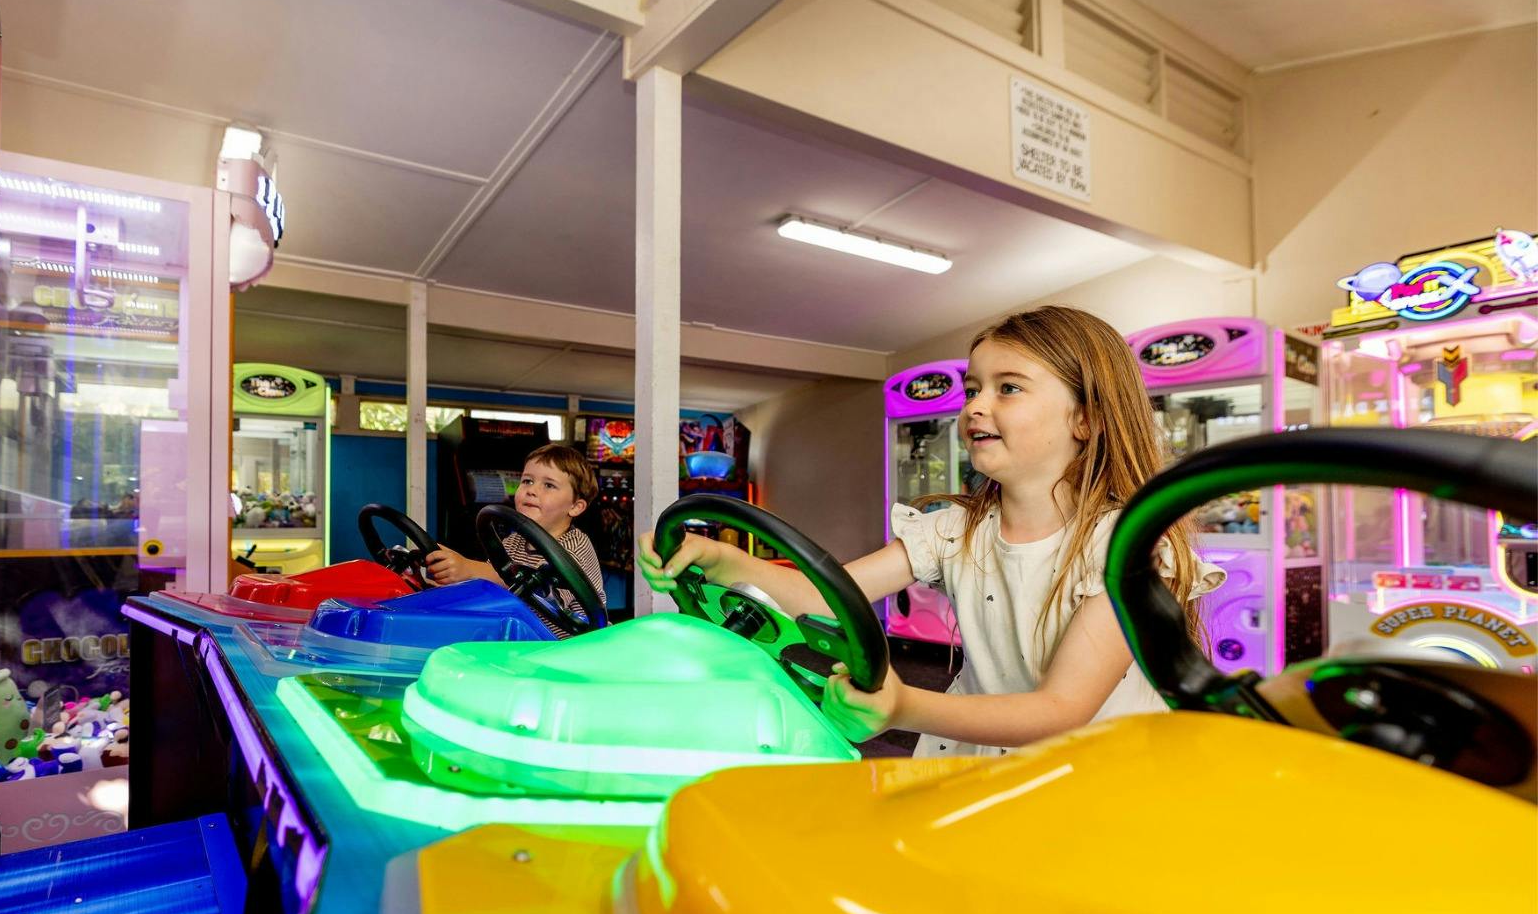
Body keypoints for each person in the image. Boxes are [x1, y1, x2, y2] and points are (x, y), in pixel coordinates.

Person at [638, 305, 1223, 756]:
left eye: (1008, 387)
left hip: (1090, 772)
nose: (974, 406)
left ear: (1087, 417)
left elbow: (1062, 708)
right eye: (973, 389)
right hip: (981, 753)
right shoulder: (955, 531)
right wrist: (723, 560)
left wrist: (899, 705)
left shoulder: (1127, 547)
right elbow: (824, 595)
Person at [426, 442, 606, 636]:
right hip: (522, 638)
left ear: (575, 507)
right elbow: (491, 581)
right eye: (527, 481)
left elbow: (538, 590)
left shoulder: (574, 547)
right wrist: (452, 573)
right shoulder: (515, 540)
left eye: (549, 485)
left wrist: (468, 568)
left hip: (567, 649)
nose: (532, 490)